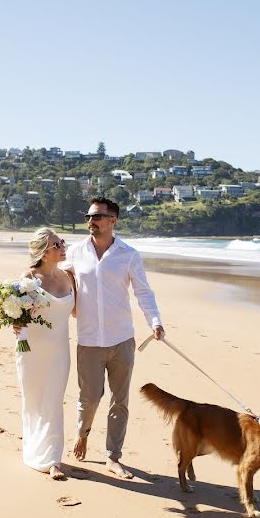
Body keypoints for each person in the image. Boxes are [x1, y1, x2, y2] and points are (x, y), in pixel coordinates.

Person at [65, 196, 164, 479]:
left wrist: (154, 321)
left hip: (122, 339)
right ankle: (82, 433)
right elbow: (59, 284)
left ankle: (113, 456)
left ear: (113, 220)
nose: (90, 222)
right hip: (88, 339)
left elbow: (143, 292)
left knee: (119, 401)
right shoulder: (75, 252)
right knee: (90, 397)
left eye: (96, 217)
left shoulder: (128, 255)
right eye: (88, 217)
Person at [12, 227, 76, 480]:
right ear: (42, 252)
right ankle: (34, 449)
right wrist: (14, 323)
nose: (62, 247)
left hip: (60, 350)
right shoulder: (29, 277)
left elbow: (77, 312)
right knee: (34, 401)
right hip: (31, 350)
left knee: (53, 401)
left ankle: (51, 460)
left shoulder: (69, 276)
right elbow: (15, 312)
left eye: (61, 242)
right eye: (56, 245)